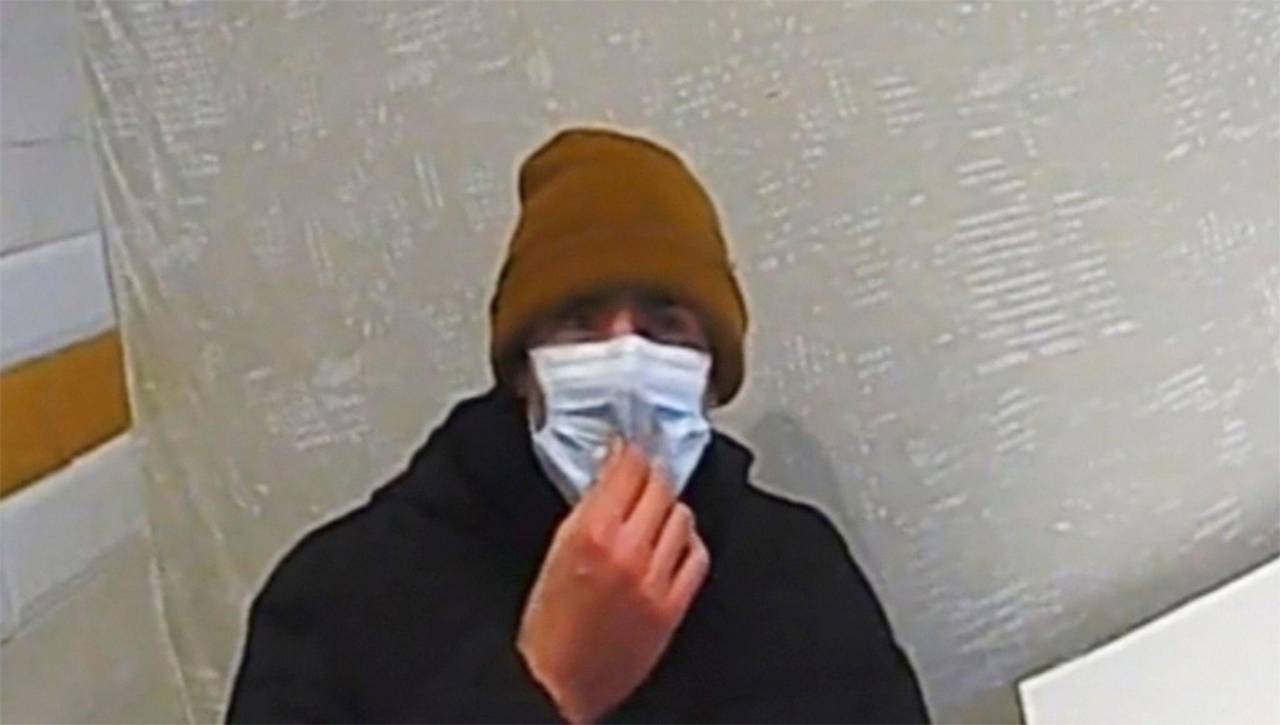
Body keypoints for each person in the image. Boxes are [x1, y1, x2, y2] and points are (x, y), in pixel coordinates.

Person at [225, 127, 929, 723]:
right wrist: (550, 688)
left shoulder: (797, 574)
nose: (625, 358)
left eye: (665, 327)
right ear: (522, 369)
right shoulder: (342, 599)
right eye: (577, 324)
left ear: (713, 375)